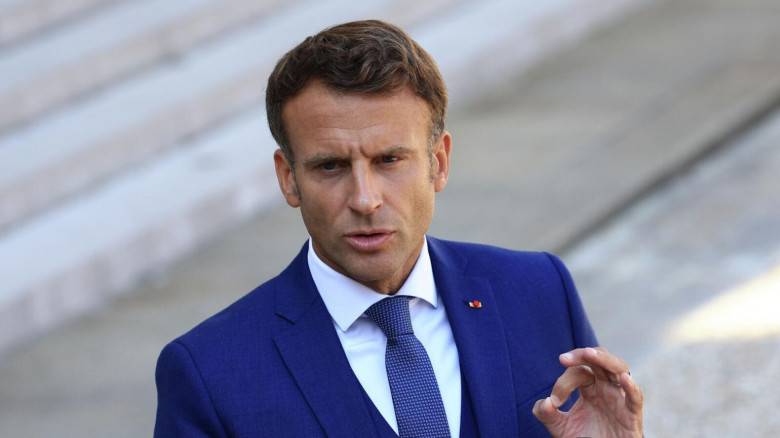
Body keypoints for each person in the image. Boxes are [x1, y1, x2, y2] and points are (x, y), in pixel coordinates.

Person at [154, 20, 643, 437]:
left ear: (439, 162)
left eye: (389, 160)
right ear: (288, 178)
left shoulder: (538, 292)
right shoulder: (210, 374)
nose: (365, 199)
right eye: (330, 166)